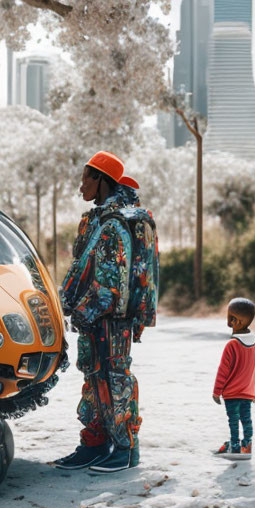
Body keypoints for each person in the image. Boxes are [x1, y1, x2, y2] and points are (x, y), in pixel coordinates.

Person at [54, 151, 158, 473]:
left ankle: (125, 449)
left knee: (115, 380)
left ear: (101, 179)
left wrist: (83, 311)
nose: (81, 184)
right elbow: (81, 268)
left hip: (112, 320)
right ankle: (94, 444)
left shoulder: (114, 224)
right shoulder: (96, 219)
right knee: (93, 379)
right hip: (92, 319)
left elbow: (112, 284)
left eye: (86, 177)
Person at [212, 297, 255, 457]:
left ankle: (235, 447)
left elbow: (223, 371)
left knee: (233, 421)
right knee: (246, 420)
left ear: (236, 321)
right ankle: (247, 447)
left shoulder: (232, 345)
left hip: (231, 394)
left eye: (230, 318)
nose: (228, 323)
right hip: (248, 393)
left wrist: (217, 392)